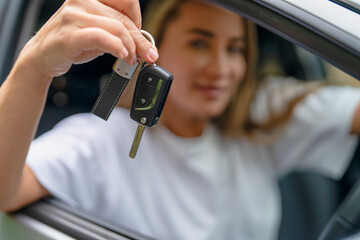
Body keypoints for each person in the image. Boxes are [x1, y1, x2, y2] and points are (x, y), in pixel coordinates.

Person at [0, 0, 360, 239]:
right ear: (152, 49)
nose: (221, 68)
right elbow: (5, 190)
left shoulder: (258, 118)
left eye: (235, 49)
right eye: (199, 43)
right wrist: (35, 66)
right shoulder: (99, 142)